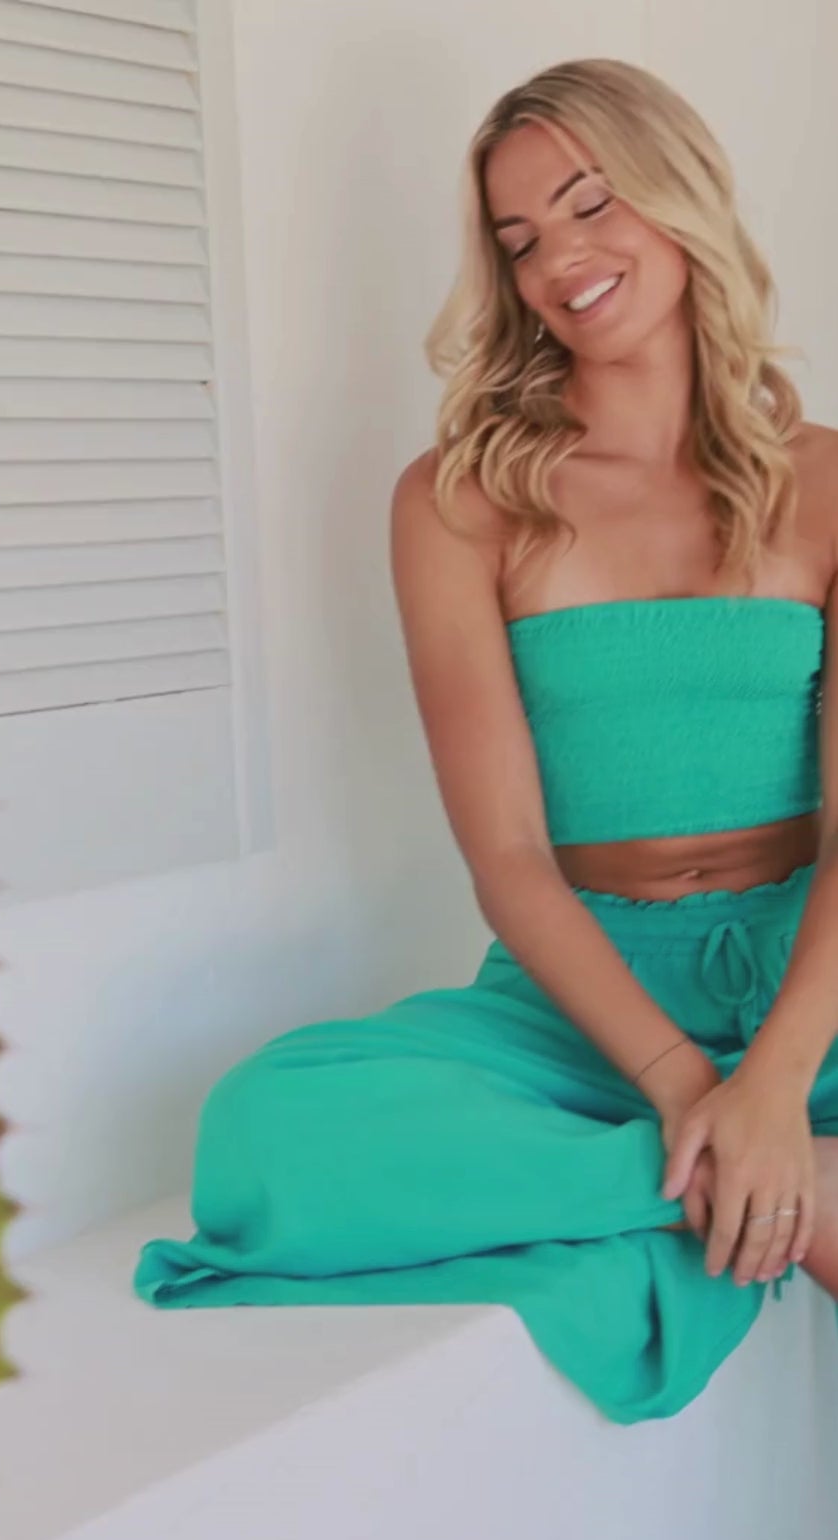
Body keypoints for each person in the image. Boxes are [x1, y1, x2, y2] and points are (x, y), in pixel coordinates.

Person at [132, 58, 838, 1425]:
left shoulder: (827, 480)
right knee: (264, 1132)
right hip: (587, 998)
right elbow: (507, 854)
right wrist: (695, 1091)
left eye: (589, 205)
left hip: (815, 964)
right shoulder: (459, 501)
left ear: (680, 196)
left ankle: (760, 1145)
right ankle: (775, 1181)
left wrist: (777, 1075)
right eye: (519, 240)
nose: (559, 261)